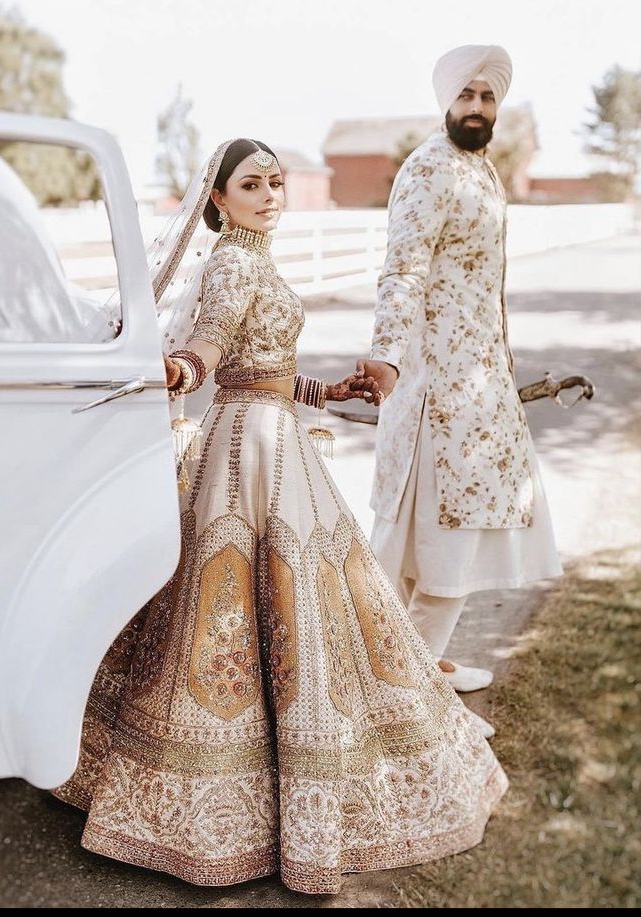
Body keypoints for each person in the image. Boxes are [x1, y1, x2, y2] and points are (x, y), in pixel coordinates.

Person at [51, 138, 508, 895]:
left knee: (286, 605)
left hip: (272, 431)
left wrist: (331, 393)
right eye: (251, 185)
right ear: (218, 201)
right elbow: (210, 348)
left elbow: (262, 367)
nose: (270, 195)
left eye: (276, 182)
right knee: (247, 611)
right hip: (245, 451)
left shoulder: (256, 257)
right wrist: (178, 369)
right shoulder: (233, 263)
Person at [353, 46, 562, 719]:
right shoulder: (427, 170)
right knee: (442, 541)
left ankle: (417, 664)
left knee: (452, 536)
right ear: (445, 101)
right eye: (467, 96)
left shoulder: (481, 169)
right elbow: (403, 269)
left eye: (488, 98)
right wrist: (385, 354)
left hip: (480, 386)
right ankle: (404, 700)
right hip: (436, 394)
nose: (478, 107)